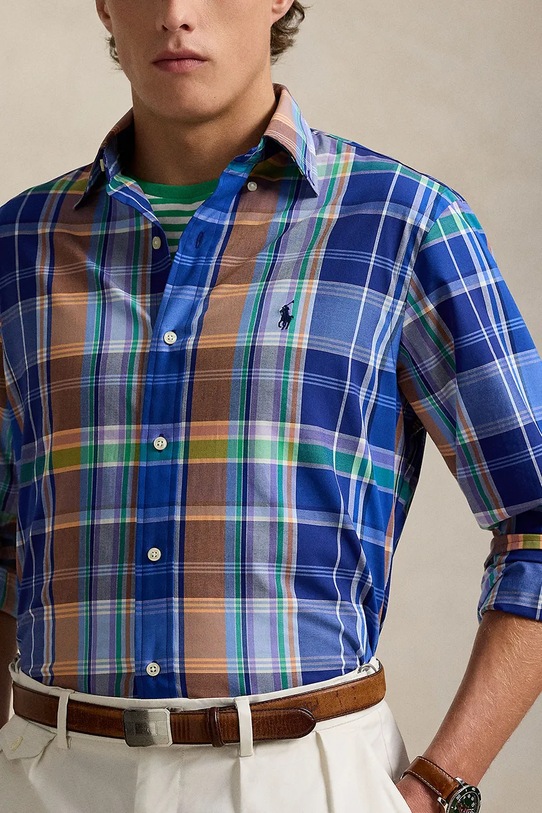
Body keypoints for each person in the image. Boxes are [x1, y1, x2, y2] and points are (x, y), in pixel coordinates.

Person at [0, 1, 541, 811]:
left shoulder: (402, 225)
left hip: (302, 778)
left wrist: (440, 784)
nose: (177, 14)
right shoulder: (18, 245)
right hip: (47, 776)